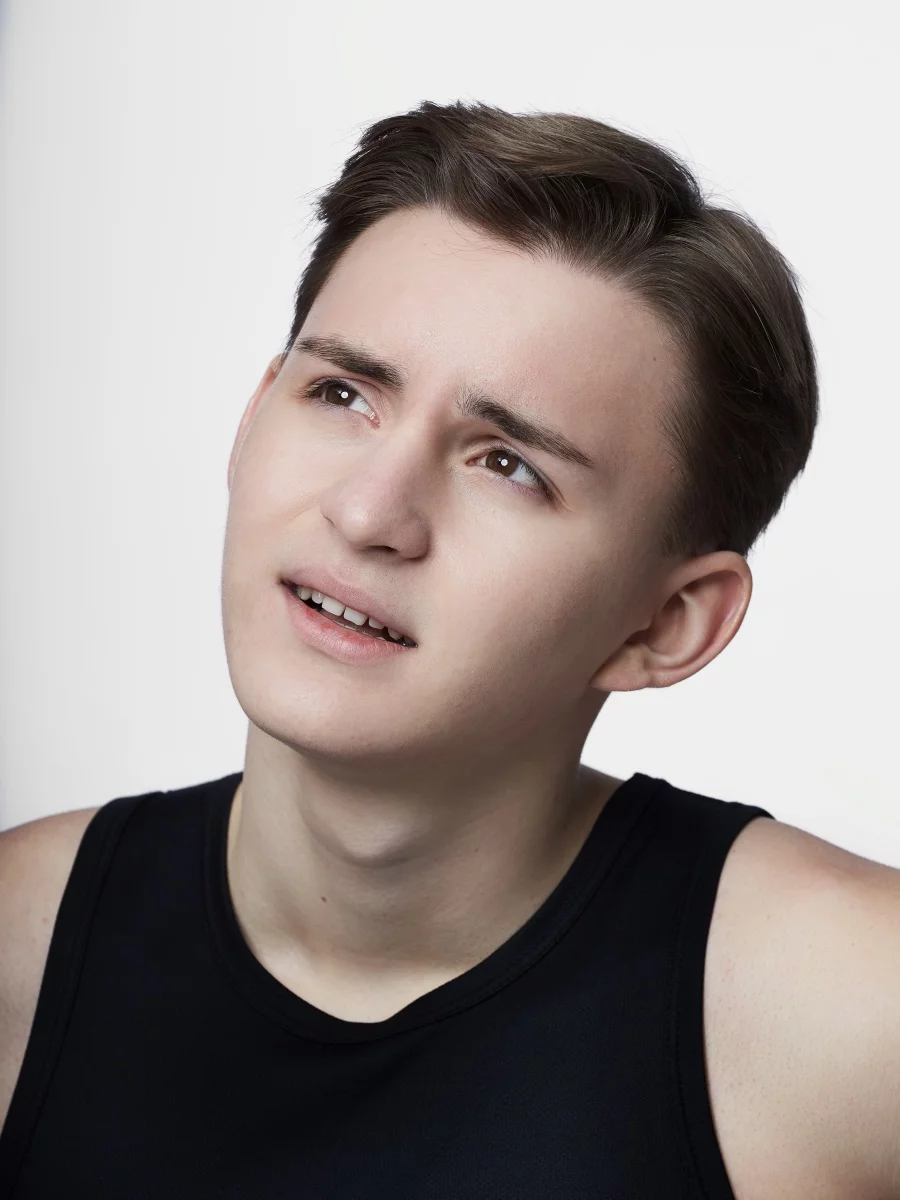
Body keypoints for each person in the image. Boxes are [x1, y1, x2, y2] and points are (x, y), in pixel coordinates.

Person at [0, 99, 897, 1199]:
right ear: (250, 421)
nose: (368, 512)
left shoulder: (856, 1016)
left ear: (667, 624)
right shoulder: (13, 944)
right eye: (342, 394)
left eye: (507, 464)